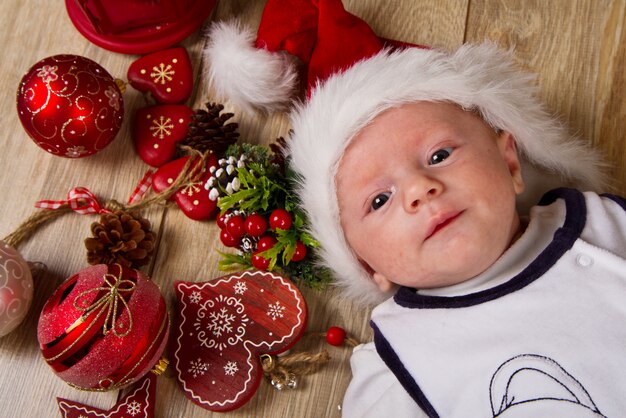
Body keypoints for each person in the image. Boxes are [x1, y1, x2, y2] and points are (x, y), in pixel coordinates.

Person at [204, 0, 624, 416]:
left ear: (510, 163)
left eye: (440, 155)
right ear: (367, 265)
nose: (419, 190)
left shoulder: (601, 225)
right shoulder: (397, 372)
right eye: (379, 200)